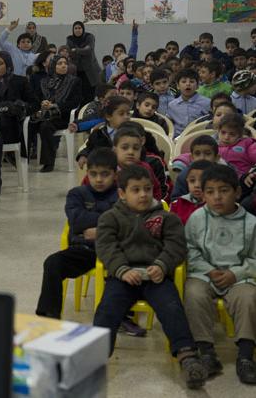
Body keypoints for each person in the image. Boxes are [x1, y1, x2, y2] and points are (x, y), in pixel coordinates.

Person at [93, 164, 208, 389]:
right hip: (123, 277)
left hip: (156, 277)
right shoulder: (110, 218)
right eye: (136, 190)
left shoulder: (167, 217)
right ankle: (94, 358)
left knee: (172, 308)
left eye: (147, 189)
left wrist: (162, 264)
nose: (143, 194)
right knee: (107, 310)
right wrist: (122, 269)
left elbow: (176, 246)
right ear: (122, 194)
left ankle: (187, 357)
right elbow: (106, 247)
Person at [184, 165, 256, 384]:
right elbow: (189, 250)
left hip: (240, 277)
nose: (217, 197)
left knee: (248, 298)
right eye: (210, 191)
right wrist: (208, 270)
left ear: (237, 192)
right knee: (193, 294)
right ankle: (206, 352)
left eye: (224, 190)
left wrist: (235, 273)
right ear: (203, 195)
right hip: (205, 274)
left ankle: (245, 356)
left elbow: (254, 258)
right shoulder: (197, 218)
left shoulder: (251, 223)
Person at [35, 148, 118, 319]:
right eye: (93, 174)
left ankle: (122, 316)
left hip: (114, 252)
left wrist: (100, 230)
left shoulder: (121, 194)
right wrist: (110, 223)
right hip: (84, 250)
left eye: (105, 174)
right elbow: (77, 221)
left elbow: (126, 222)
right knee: (52, 263)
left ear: (115, 174)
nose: (99, 179)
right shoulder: (77, 194)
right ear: (87, 173)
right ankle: (50, 316)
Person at [0, 51, 37, 191]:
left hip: (12, 127)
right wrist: (3, 107)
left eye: (0, 63)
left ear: (8, 65)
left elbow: (34, 104)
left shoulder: (20, 81)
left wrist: (19, 107)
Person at [35, 56, 81, 172]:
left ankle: (48, 163)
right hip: (45, 114)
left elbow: (75, 102)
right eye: (59, 63)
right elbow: (38, 98)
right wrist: (43, 103)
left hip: (63, 116)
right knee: (29, 123)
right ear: (53, 66)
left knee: (45, 126)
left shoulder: (74, 81)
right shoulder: (44, 82)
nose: (63, 65)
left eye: (65, 63)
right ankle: (21, 158)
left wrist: (55, 106)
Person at [76, 96, 131, 169]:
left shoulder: (133, 133)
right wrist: (83, 155)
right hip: (105, 170)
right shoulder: (98, 134)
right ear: (108, 116)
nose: (126, 117)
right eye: (121, 114)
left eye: (128, 113)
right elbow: (88, 148)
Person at [66, 21, 102, 105]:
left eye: (79, 28)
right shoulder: (70, 39)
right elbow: (70, 52)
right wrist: (82, 50)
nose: (77, 30)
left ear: (83, 29)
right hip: (77, 71)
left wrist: (76, 50)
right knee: (78, 95)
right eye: (75, 28)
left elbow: (89, 50)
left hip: (90, 71)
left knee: (90, 95)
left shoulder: (89, 37)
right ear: (73, 30)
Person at [168, 69, 211, 137]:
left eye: (191, 81)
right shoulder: (172, 105)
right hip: (177, 139)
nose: (188, 84)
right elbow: (169, 124)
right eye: (183, 81)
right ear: (178, 86)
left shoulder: (207, 103)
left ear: (197, 86)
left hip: (199, 138)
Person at [169, 160, 212, 225]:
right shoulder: (177, 204)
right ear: (187, 180)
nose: (197, 185)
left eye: (202, 181)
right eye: (192, 181)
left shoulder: (216, 206)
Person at [216, 113, 256, 177]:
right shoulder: (214, 146)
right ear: (218, 131)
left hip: (243, 179)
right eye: (223, 132)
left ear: (239, 135)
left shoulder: (247, 145)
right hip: (220, 178)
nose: (226, 137)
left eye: (232, 134)